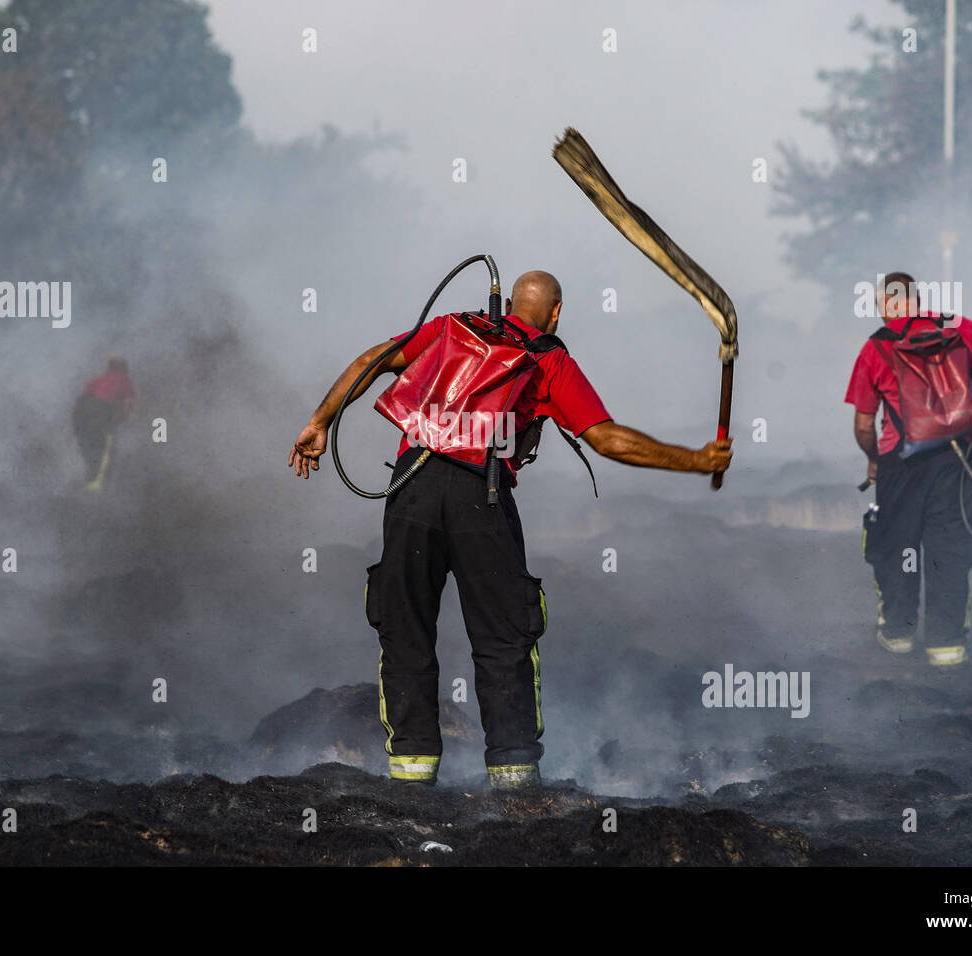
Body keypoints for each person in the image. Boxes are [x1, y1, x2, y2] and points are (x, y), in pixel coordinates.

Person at [288, 270, 732, 788]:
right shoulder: (548, 359)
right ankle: (514, 779)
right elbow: (607, 440)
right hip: (484, 497)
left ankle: (410, 778)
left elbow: (371, 361)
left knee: (406, 632)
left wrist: (320, 420)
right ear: (557, 312)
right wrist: (695, 460)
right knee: (503, 640)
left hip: (411, 491)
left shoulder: (451, 327)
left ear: (502, 301)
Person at [845, 273, 972, 667]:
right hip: (955, 458)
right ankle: (946, 647)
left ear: (886, 305)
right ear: (918, 299)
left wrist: (873, 460)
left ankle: (899, 636)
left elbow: (862, 425)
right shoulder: (958, 327)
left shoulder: (877, 345)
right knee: (949, 549)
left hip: (899, 463)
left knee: (898, 548)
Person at [73, 357, 134, 493]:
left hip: (80, 411)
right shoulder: (125, 380)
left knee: (90, 449)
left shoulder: (98, 380)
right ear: (124, 369)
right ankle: (98, 487)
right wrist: (121, 419)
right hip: (99, 409)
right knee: (107, 449)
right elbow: (127, 404)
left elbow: (85, 398)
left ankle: (88, 482)